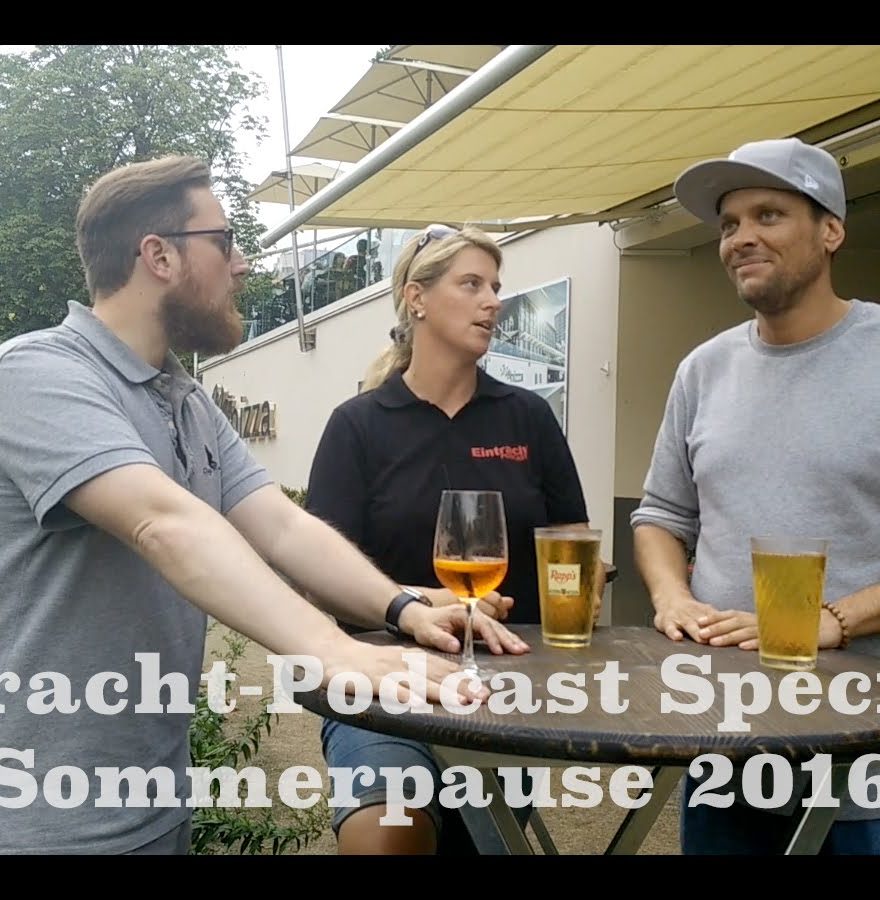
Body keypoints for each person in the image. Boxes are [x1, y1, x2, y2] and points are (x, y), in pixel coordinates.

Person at [0, 158, 525, 855]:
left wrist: (403, 609)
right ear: (158, 256)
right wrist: (332, 650)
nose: (243, 263)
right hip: (45, 821)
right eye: (224, 241)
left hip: (154, 803)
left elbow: (281, 526)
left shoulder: (186, 401)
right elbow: (163, 522)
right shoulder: (39, 373)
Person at [306, 223, 605, 854]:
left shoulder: (528, 417)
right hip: (387, 682)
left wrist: (580, 589)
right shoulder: (357, 426)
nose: (493, 301)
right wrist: (433, 602)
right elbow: (320, 581)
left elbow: (572, 546)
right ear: (416, 298)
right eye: (472, 284)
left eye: (495, 286)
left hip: (511, 685)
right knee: (387, 835)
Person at [630, 136, 880, 854]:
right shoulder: (702, 369)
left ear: (830, 231)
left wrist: (835, 619)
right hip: (722, 736)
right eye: (729, 223)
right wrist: (671, 598)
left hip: (860, 747)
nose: (740, 237)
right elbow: (661, 515)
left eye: (768, 215)